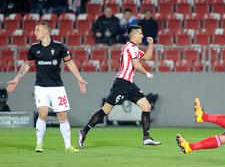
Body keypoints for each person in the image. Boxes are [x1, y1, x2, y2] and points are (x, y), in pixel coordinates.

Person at [6, 22, 88, 153]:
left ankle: (68, 146)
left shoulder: (59, 47)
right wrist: (16, 79)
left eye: (37, 30)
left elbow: (70, 63)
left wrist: (80, 79)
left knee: (62, 115)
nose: (34, 32)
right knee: (42, 114)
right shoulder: (33, 48)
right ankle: (39, 144)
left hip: (57, 87)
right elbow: (27, 65)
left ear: (45, 32)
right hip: (41, 87)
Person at [78, 25, 161, 148]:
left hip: (129, 84)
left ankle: (146, 137)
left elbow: (147, 57)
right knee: (105, 110)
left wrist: (151, 44)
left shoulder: (135, 48)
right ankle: (83, 131)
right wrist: (147, 73)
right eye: (140, 34)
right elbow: (136, 65)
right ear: (133, 36)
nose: (142, 36)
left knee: (146, 106)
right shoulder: (130, 47)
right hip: (122, 84)